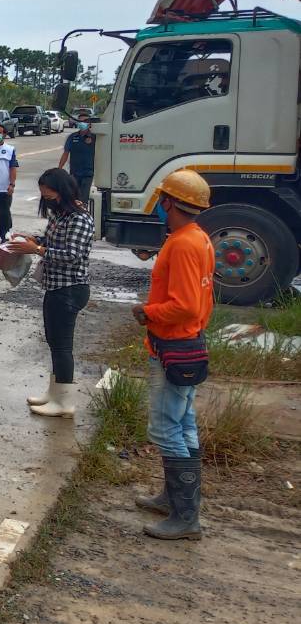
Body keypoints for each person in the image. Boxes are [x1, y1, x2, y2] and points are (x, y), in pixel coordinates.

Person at [131, 169, 214, 540]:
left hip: (172, 346)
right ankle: (174, 500)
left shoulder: (181, 244)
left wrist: (147, 312)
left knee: (165, 428)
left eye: (162, 199)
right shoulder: (199, 238)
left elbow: (184, 305)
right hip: (188, 342)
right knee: (184, 424)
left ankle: (185, 517)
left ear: (169, 202)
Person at [5, 169, 96, 420]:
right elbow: (50, 240)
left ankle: (64, 402)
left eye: (50, 197)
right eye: (44, 197)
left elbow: (71, 255)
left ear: (63, 193)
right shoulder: (61, 214)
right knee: (54, 342)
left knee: (63, 346)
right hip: (54, 286)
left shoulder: (80, 218)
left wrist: (36, 249)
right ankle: (54, 393)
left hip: (70, 288)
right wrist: (32, 239)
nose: (47, 202)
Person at [59, 119, 98, 209]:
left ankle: (82, 213)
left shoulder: (95, 137)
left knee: (83, 198)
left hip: (88, 173)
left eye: (85, 121)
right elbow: (66, 153)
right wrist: (60, 168)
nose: (82, 123)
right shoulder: (72, 137)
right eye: (80, 121)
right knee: (74, 197)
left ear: (89, 124)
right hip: (74, 173)